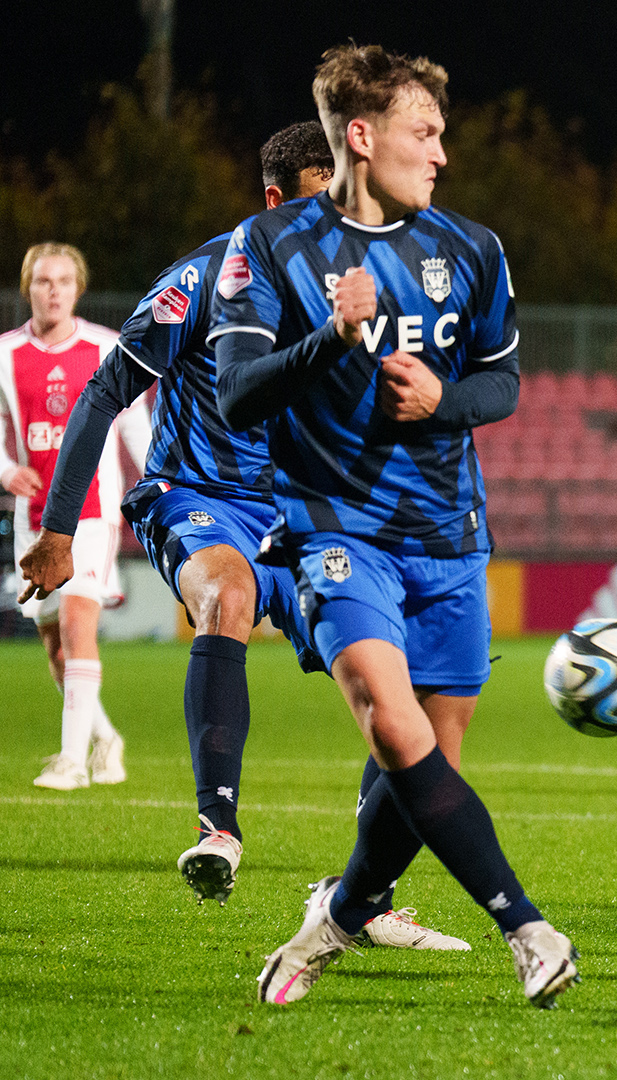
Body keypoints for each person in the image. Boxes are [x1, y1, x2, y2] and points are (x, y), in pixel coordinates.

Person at [17, 124, 467, 952]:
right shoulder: (203, 280)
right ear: (274, 201)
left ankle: (362, 899)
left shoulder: (367, 292)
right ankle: (217, 830)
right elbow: (105, 390)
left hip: (302, 512)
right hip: (197, 497)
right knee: (226, 592)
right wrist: (56, 528)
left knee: (420, 688)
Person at [212, 44, 576, 1005]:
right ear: (362, 139)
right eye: (427, 133)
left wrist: (444, 400)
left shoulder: (471, 250)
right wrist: (329, 338)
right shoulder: (271, 250)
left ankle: (333, 921)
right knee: (389, 720)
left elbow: (502, 383)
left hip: (450, 538)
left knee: (425, 773)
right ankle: (526, 927)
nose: (442, 154)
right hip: (336, 534)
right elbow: (238, 393)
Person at [1, 243, 147, 790]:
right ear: (28, 288)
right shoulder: (5, 354)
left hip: (92, 512)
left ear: (78, 289)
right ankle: (104, 739)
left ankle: (71, 762)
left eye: (64, 280)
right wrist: (6, 470)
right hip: (31, 516)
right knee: (55, 647)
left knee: (76, 622)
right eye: (43, 281)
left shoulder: (107, 347)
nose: (53, 290)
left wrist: (153, 485)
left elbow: (135, 427)